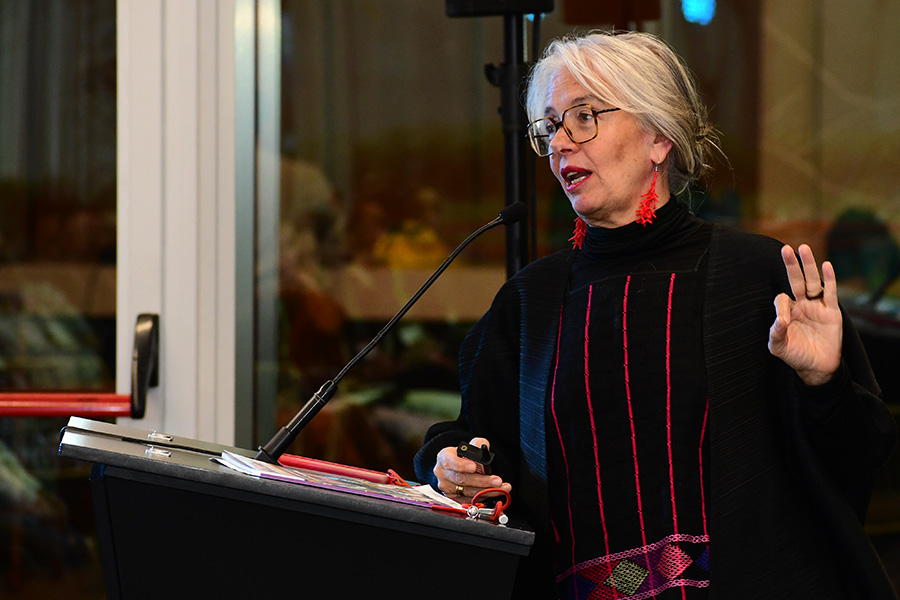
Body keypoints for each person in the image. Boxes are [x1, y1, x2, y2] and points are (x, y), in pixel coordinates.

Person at [414, 31, 897, 599]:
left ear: (659, 138)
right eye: (549, 126)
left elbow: (855, 463)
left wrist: (823, 384)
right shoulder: (530, 302)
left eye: (584, 116)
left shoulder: (760, 279)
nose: (561, 142)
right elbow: (477, 442)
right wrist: (445, 466)